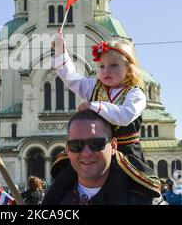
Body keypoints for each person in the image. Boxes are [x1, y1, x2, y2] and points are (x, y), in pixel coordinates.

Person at [49, 34, 160, 198]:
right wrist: (60, 53)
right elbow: (71, 78)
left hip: (124, 154)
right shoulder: (94, 86)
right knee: (62, 180)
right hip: (94, 147)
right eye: (101, 66)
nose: (106, 70)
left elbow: (124, 115)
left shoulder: (135, 93)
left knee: (120, 189)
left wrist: (94, 106)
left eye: (113, 65)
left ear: (129, 70)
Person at [43, 110, 161, 205]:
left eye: (96, 143)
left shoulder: (145, 200)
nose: (86, 153)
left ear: (114, 146)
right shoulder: (54, 199)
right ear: (67, 150)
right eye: (76, 145)